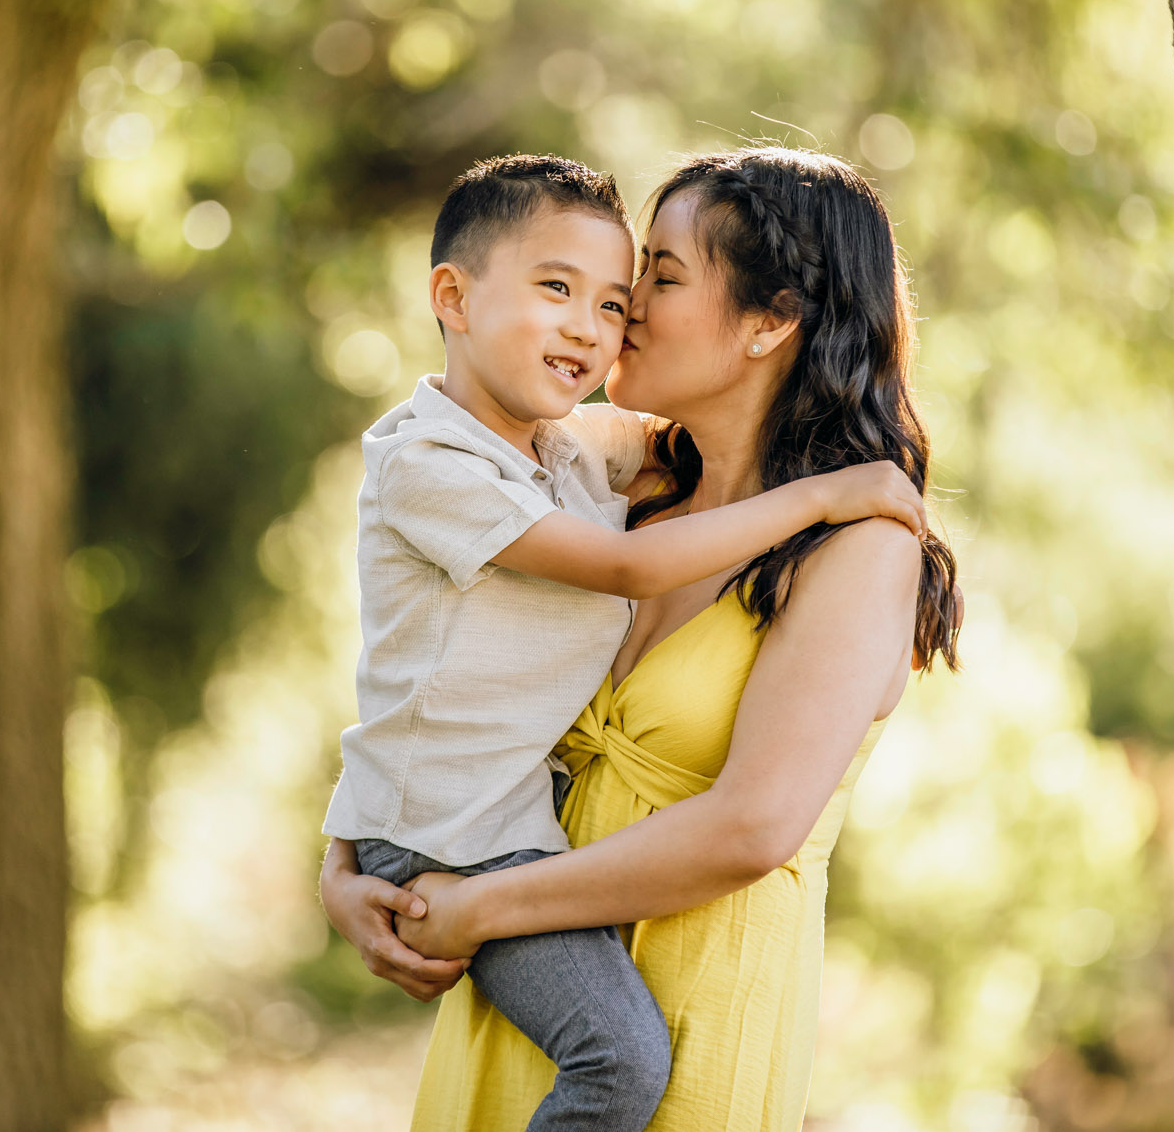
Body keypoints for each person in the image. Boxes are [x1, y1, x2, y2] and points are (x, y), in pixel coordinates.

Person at [321, 146, 964, 1131]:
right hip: (521, 991)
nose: (611, 319)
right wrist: (353, 860)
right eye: (613, 287)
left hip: (683, 1007)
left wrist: (477, 910)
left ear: (769, 321)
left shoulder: (854, 546)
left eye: (650, 282)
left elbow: (752, 826)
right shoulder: (612, 486)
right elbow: (436, 659)